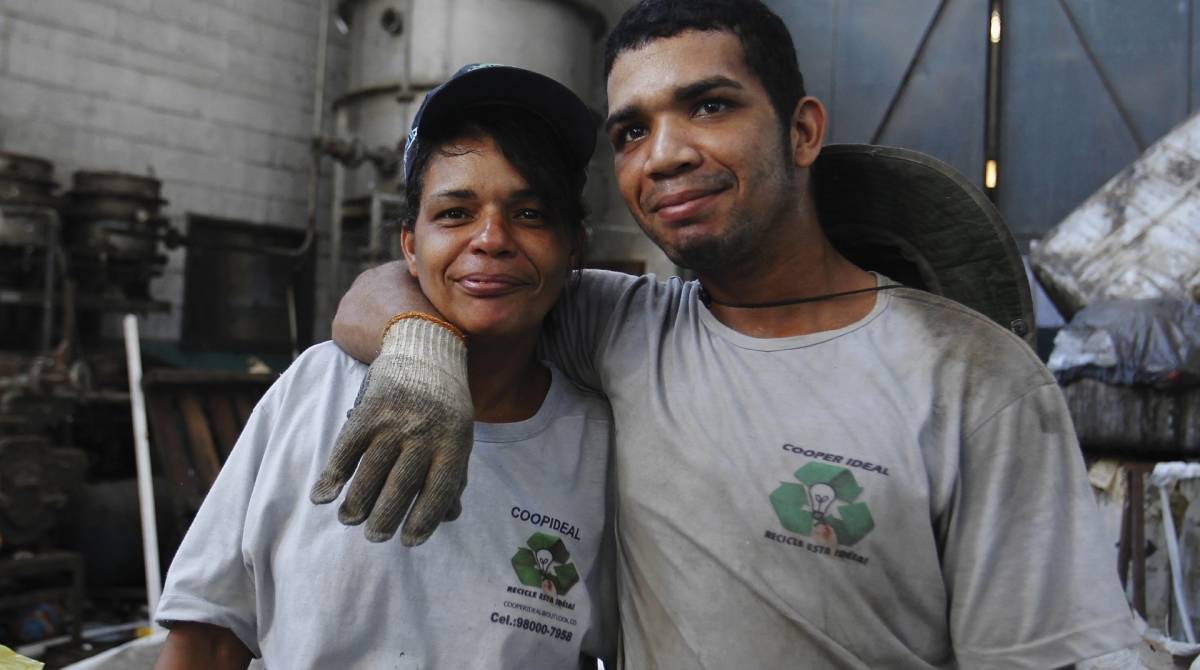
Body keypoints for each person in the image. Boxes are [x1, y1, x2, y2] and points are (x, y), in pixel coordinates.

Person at [320, 1, 1141, 667]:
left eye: (709, 105)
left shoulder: (974, 379)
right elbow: (416, 282)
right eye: (632, 131)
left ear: (803, 130)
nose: (665, 155)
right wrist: (420, 345)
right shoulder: (621, 326)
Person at [153, 64, 616, 669]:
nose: (491, 238)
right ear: (409, 245)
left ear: (574, 245)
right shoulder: (316, 389)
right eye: (455, 213)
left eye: (531, 214)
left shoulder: (596, 447)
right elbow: (209, 639)